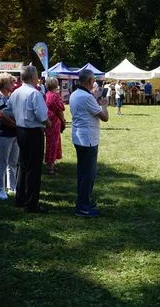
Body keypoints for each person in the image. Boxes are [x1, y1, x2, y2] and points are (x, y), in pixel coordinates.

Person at [5, 65, 50, 213]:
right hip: (33, 132)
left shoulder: (16, 92)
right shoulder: (34, 93)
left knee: (23, 165)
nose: (38, 79)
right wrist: (48, 123)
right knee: (34, 169)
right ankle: (31, 203)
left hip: (21, 131)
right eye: (37, 76)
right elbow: (42, 116)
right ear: (32, 77)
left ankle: (20, 198)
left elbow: (8, 110)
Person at [70, 69, 109, 217]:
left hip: (79, 137)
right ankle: (83, 207)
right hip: (88, 140)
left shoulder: (75, 94)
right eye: (93, 80)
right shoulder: (87, 97)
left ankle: (83, 201)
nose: (95, 83)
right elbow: (104, 117)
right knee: (88, 175)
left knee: (82, 173)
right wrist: (104, 104)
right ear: (89, 81)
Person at [0, 73, 19, 200]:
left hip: (13, 134)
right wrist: (16, 125)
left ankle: (12, 186)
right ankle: (0, 189)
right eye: (10, 82)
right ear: (4, 84)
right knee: (1, 162)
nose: (13, 85)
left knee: (13, 162)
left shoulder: (10, 98)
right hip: (2, 134)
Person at [44, 77, 65, 175]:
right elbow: (60, 110)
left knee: (49, 143)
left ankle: (50, 163)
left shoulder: (46, 95)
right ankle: (51, 166)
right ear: (56, 85)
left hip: (47, 121)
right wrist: (63, 121)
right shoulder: (55, 96)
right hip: (54, 122)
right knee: (54, 143)